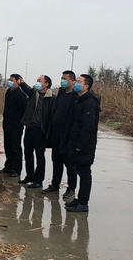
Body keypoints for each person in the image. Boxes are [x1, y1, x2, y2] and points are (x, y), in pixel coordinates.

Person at [65, 74, 100, 212]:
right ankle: (79, 199)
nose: (76, 83)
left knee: (85, 173)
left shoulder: (90, 103)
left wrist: (80, 145)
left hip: (85, 145)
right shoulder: (79, 99)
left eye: (79, 82)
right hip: (75, 142)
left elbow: (88, 127)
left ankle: (83, 203)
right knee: (79, 170)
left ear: (86, 86)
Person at [42, 70, 79, 198]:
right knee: (56, 160)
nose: (62, 80)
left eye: (65, 78)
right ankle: (55, 184)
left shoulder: (76, 95)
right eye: (62, 78)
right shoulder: (61, 92)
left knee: (69, 163)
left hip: (68, 135)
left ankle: (71, 188)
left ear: (72, 81)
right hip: (56, 133)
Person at [18, 75, 56, 188]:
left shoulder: (52, 98)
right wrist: (22, 83)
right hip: (30, 128)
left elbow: (51, 117)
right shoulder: (34, 93)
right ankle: (29, 176)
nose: (37, 82)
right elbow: (27, 89)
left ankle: (38, 180)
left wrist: (48, 133)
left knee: (40, 156)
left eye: (40, 81)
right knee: (28, 153)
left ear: (46, 84)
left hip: (41, 130)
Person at [1, 74, 29, 177]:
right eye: (9, 79)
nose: (9, 81)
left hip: (16, 126)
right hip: (7, 124)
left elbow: (24, 111)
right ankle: (8, 166)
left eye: (12, 80)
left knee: (15, 147)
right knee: (8, 147)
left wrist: (20, 121)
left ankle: (17, 169)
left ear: (17, 82)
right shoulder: (8, 92)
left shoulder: (21, 95)